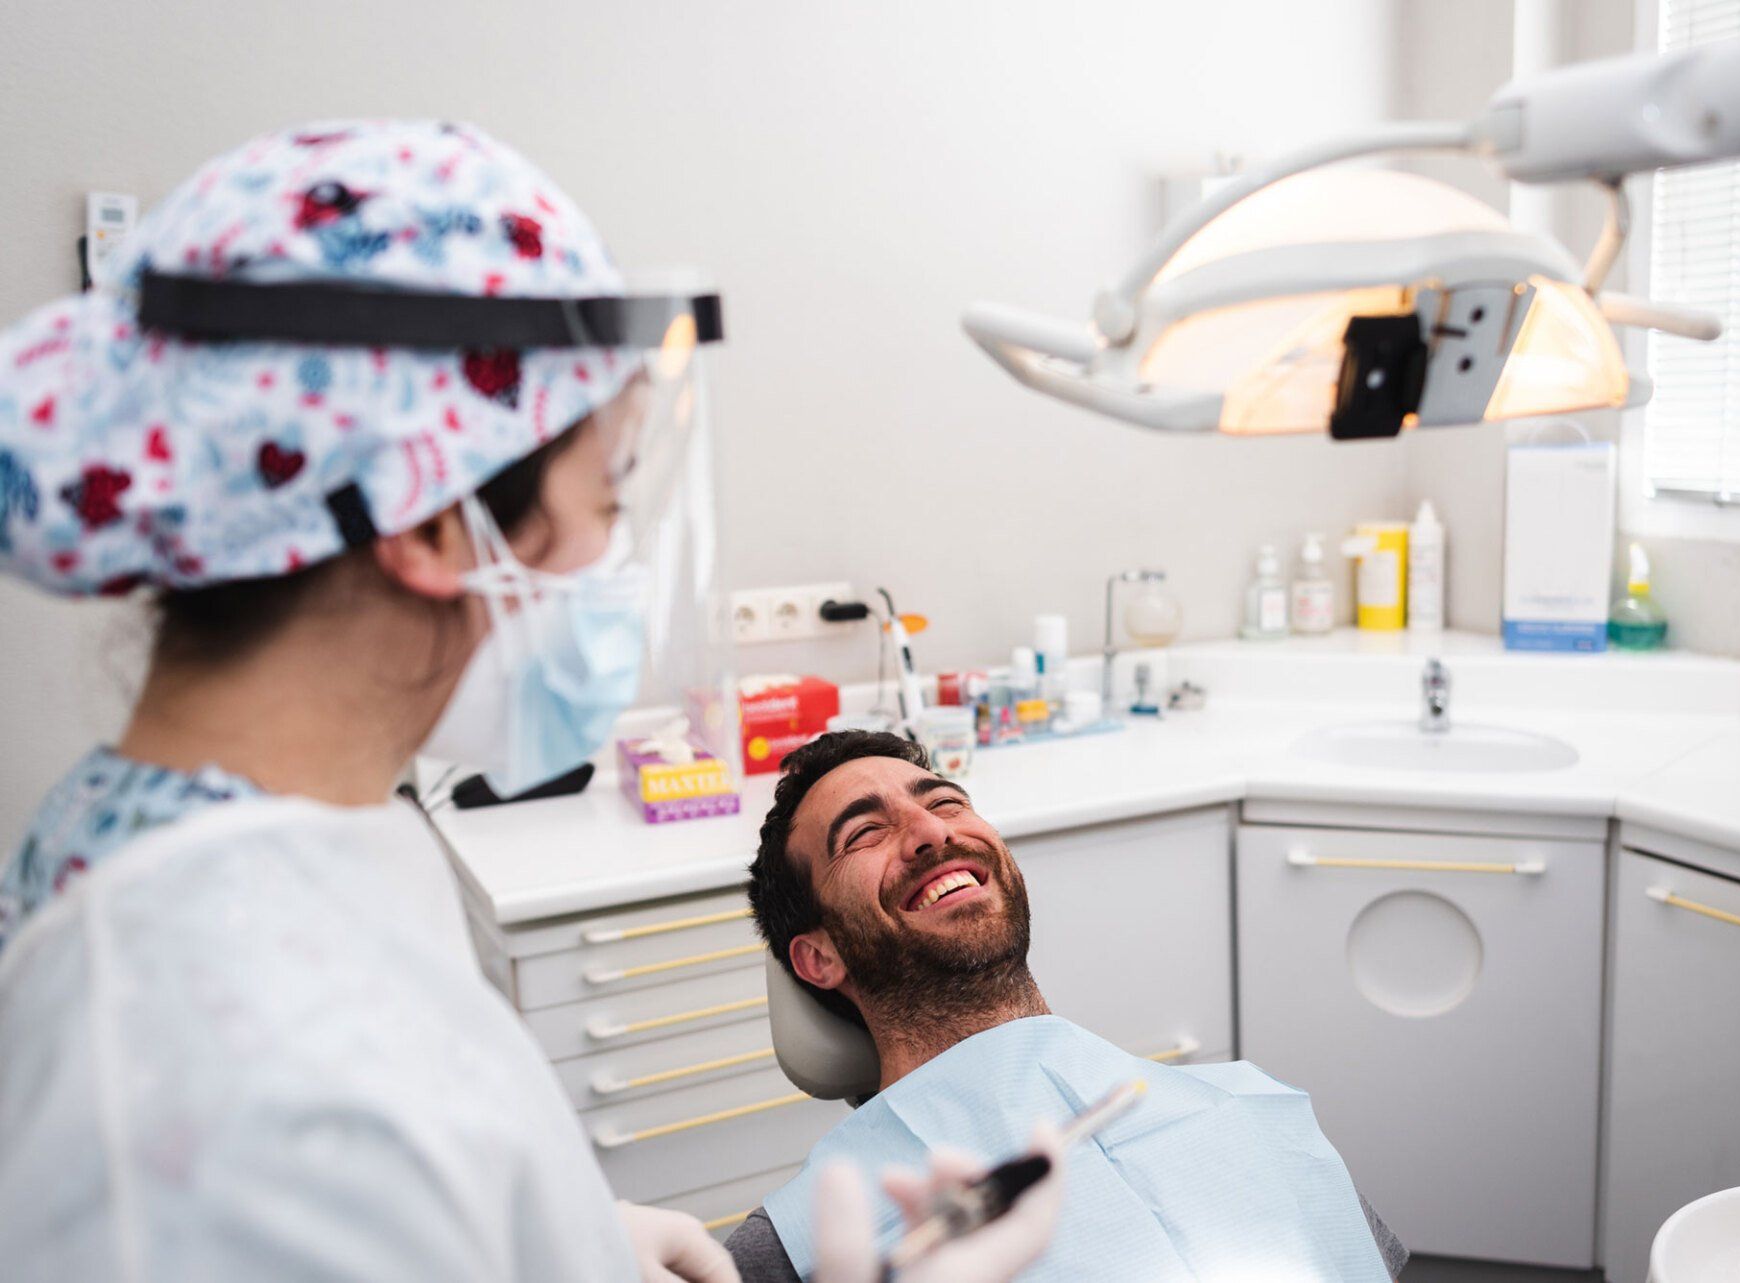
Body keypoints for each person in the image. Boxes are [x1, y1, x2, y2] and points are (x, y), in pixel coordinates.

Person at [0, 121, 1058, 1283]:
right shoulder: (227, 1059)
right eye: (606, 498)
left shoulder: (240, 837)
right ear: (432, 523)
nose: (614, 552)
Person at [729, 729, 1409, 1282]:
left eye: (946, 802)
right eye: (864, 833)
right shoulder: (802, 1248)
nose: (930, 831)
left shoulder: (1253, 1107)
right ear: (819, 957)